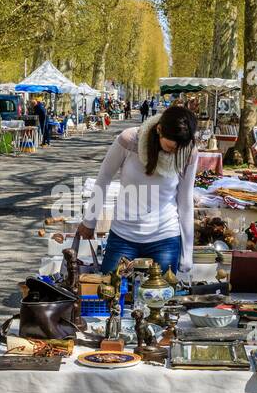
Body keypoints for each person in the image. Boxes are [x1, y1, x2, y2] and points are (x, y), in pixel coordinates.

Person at [79, 104, 198, 276]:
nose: (174, 153)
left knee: (160, 298)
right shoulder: (129, 139)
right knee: (110, 294)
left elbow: (185, 200)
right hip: (123, 235)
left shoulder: (189, 152)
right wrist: (89, 221)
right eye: (171, 147)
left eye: (179, 149)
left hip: (165, 237)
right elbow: (104, 176)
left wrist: (187, 251)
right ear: (159, 130)